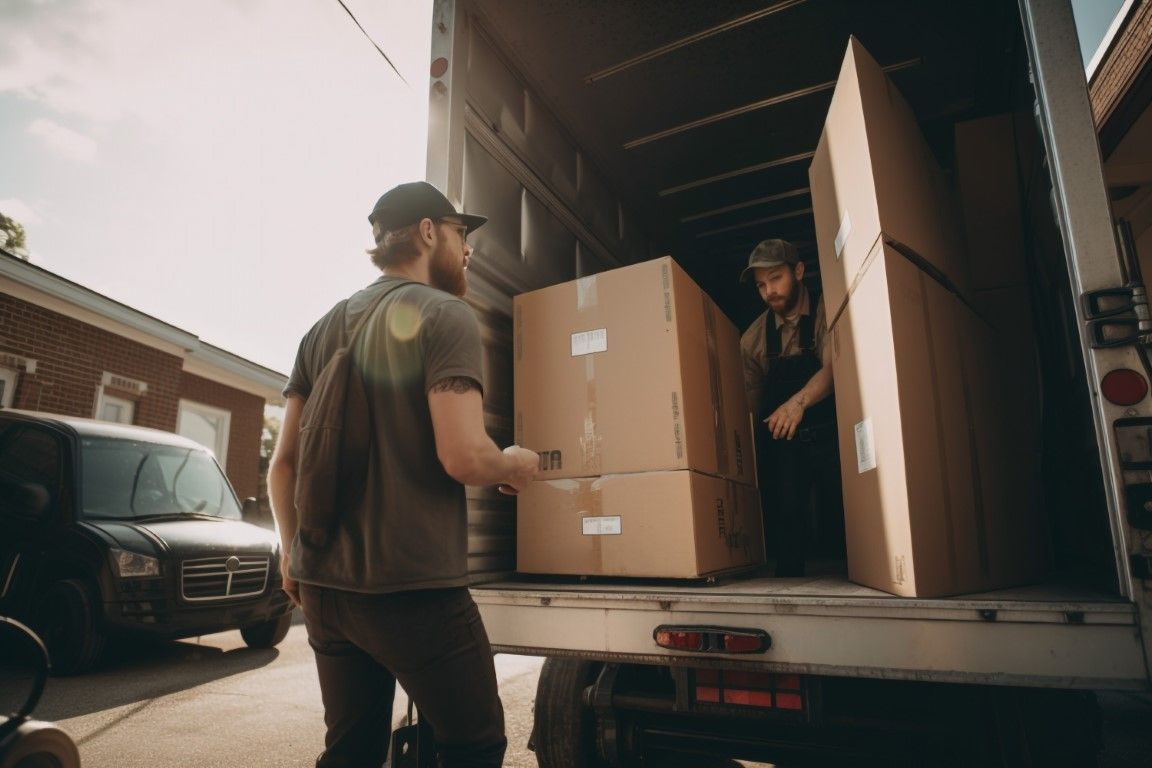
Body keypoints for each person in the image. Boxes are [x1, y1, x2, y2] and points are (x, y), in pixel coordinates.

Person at [269, 180, 540, 768]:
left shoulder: (319, 329)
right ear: (426, 232)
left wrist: (291, 554)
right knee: (474, 744)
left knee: (350, 751)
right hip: (413, 592)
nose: (468, 251)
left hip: (324, 591)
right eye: (460, 234)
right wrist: (517, 463)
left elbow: (282, 464)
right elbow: (465, 457)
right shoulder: (446, 314)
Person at [739, 239, 843, 577]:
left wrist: (798, 402)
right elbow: (751, 406)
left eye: (776, 278)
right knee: (786, 522)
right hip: (785, 446)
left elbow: (834, 369)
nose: (769, 291)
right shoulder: (752, 340)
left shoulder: (829, 310)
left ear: (798, 271)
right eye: (760, 285)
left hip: (831, 436)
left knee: (846, 520)